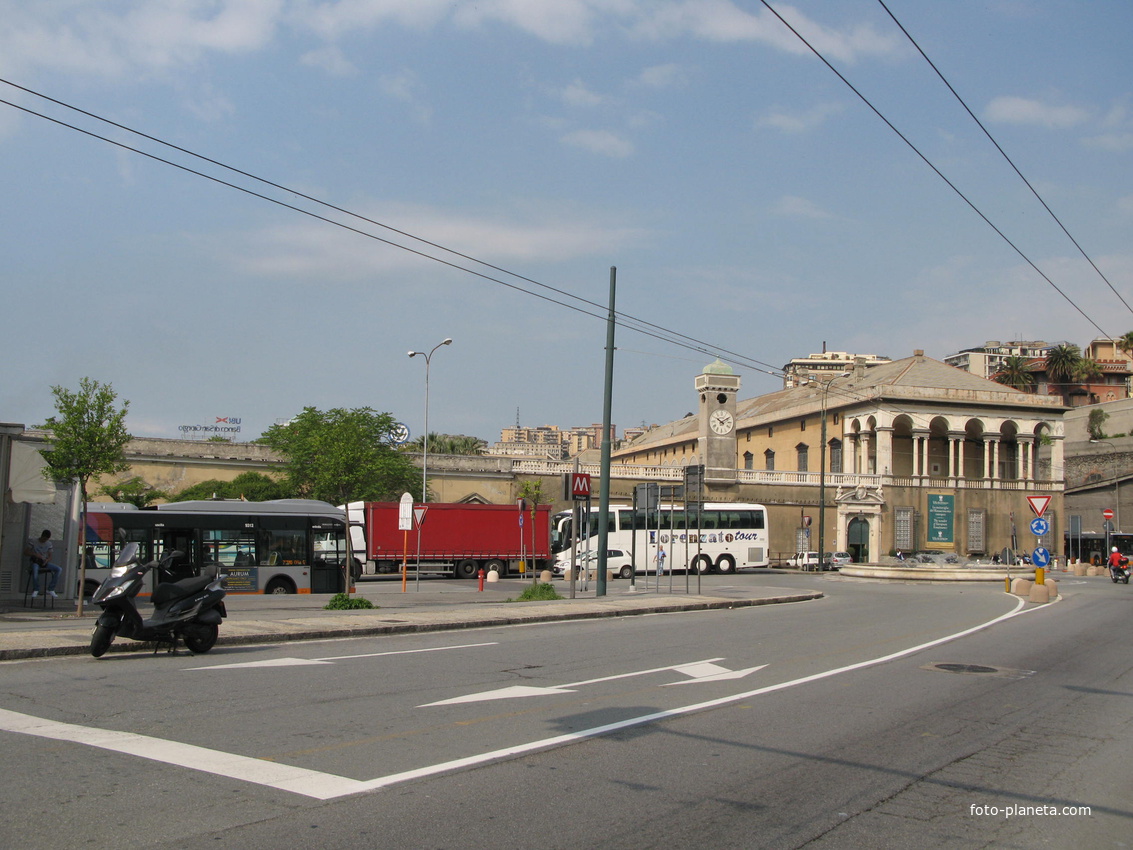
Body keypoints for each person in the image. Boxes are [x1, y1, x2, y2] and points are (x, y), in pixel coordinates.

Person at [25, 529, 63, 598]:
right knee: (35, 569)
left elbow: (50, 556)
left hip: (44, 562)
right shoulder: (34, 541)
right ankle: (36, 589)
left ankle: (51, 588)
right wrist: (35, 554)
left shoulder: (49, 544)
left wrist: (47, 560)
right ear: (41, 536)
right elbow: (26, 552)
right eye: (43, 539)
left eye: (46, 539)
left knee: (59, 569)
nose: (44, 541)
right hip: (35, 562)